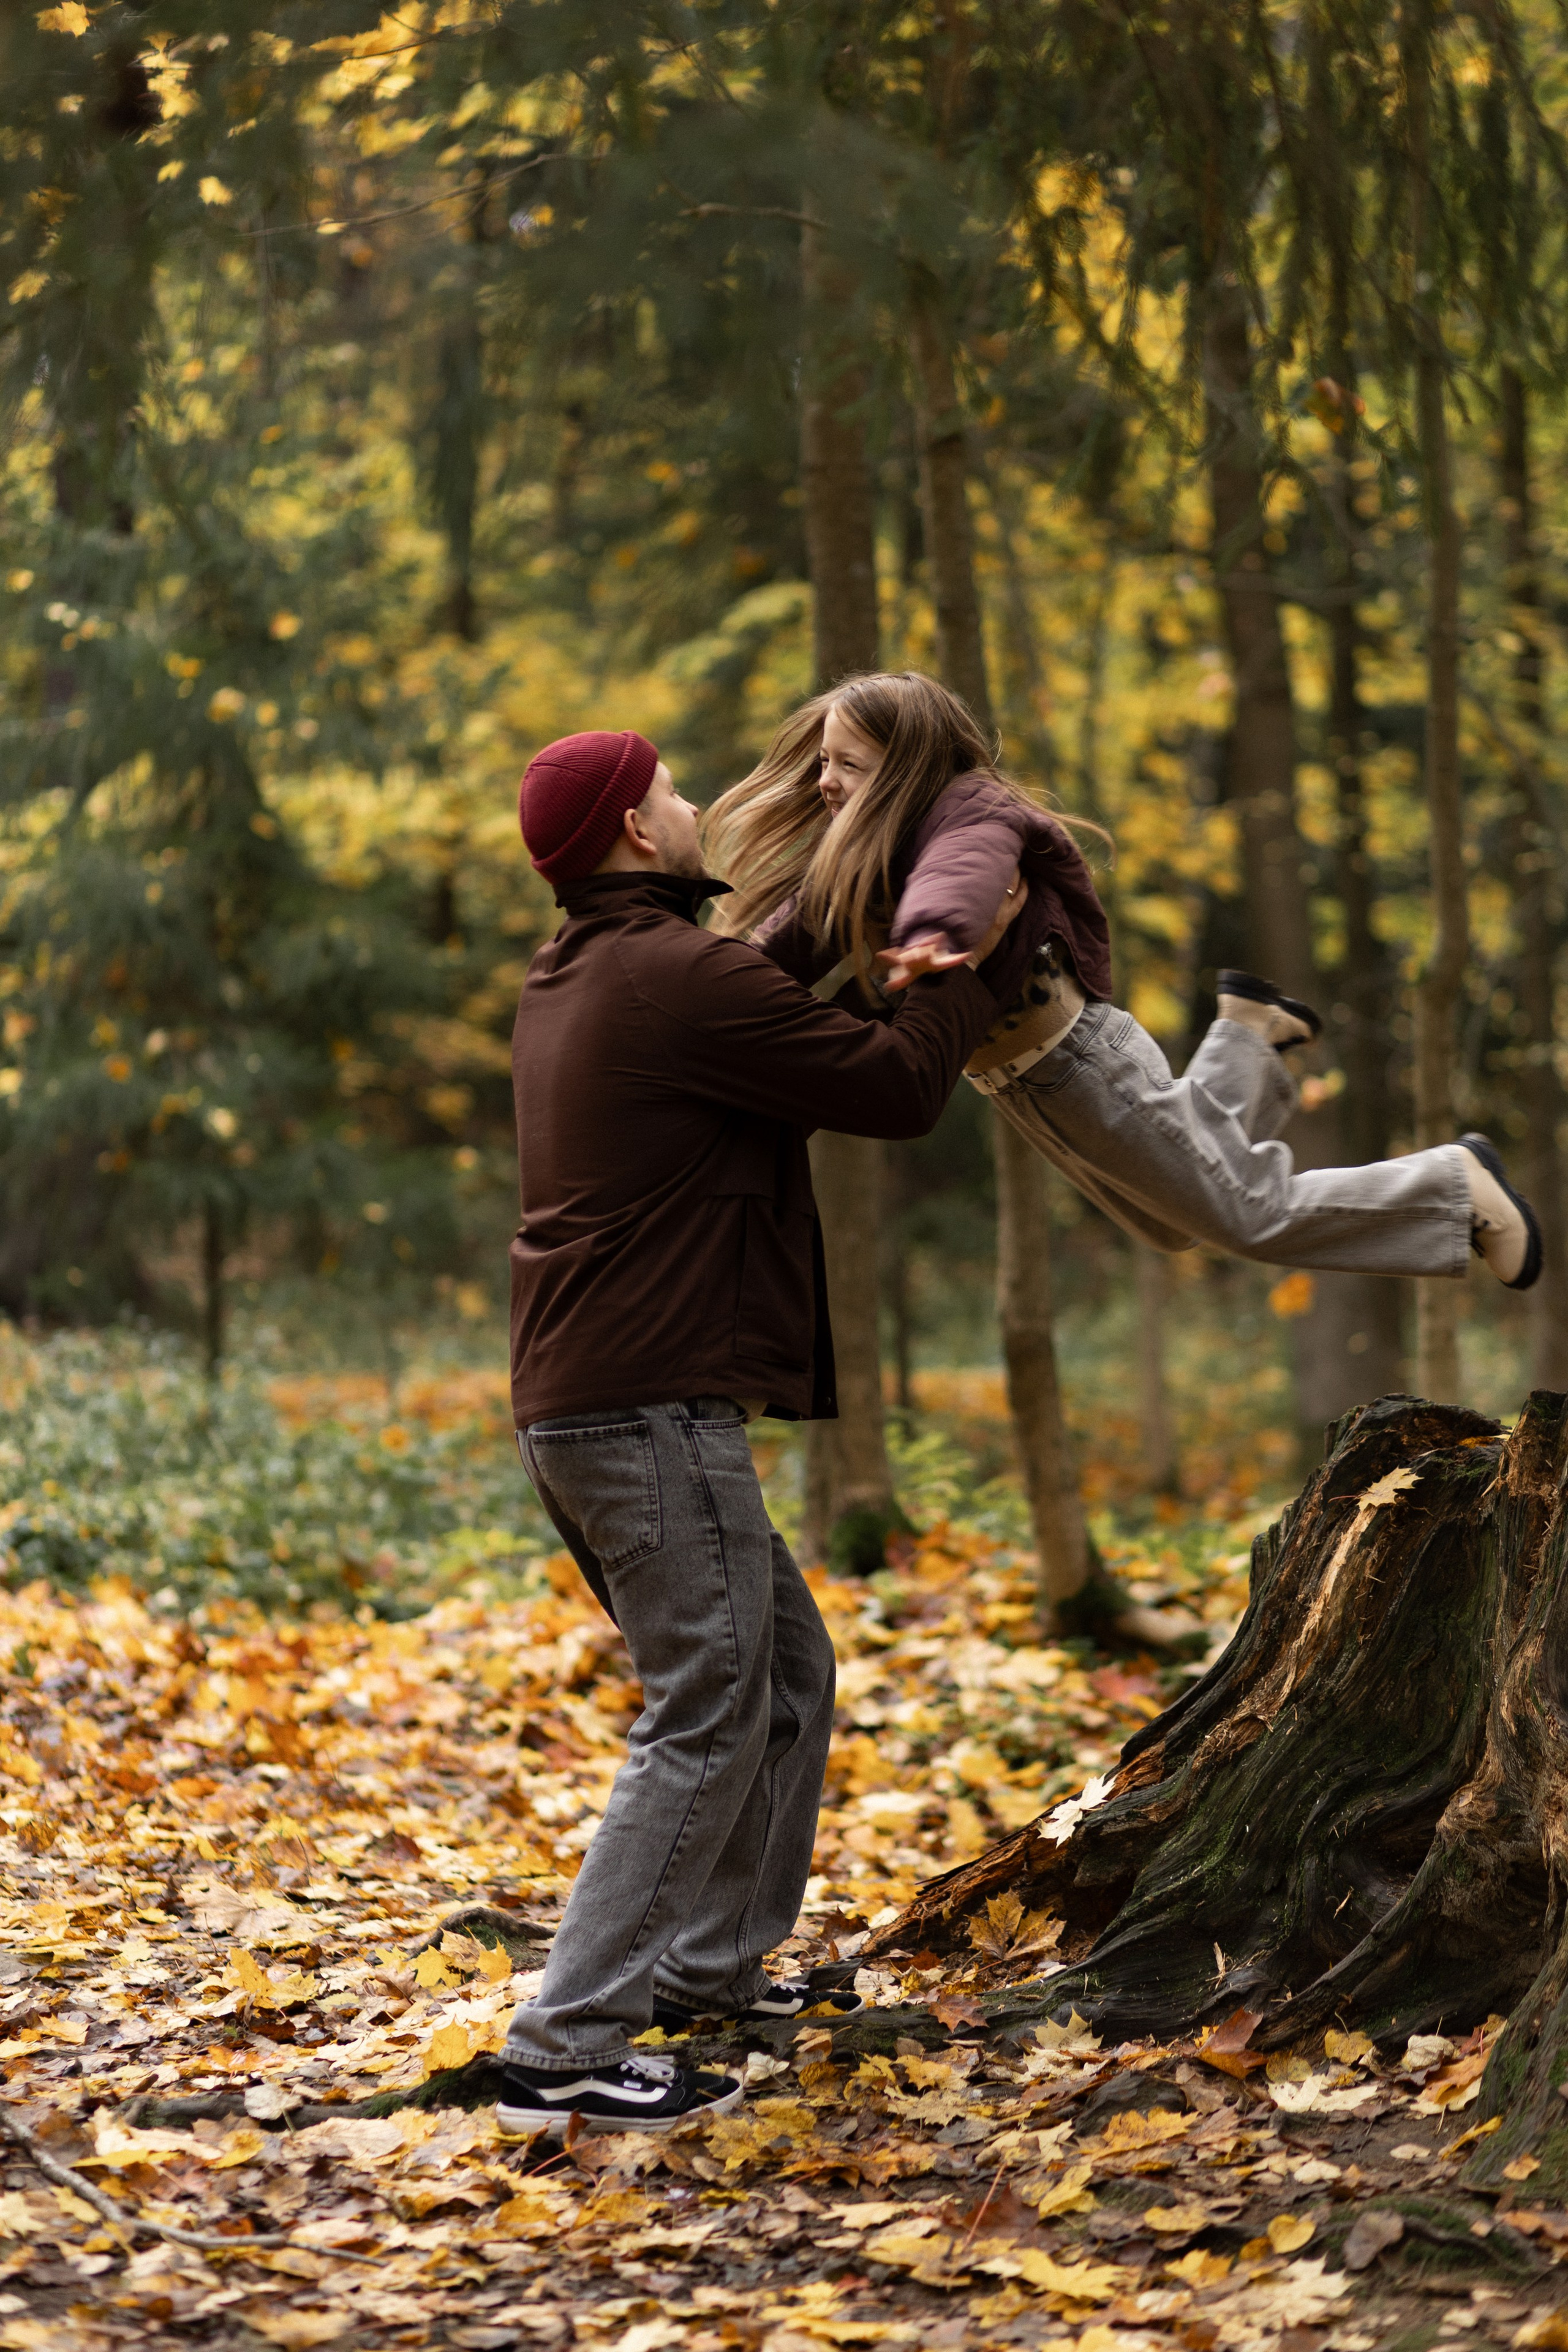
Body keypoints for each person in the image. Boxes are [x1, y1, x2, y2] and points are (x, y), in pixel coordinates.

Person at [497, 725, 1019, 2136]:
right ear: (626, 832)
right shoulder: (669, 974)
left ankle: (706, 1977)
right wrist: (967, 969)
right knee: (709, 1707)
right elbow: (895, 1089)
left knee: (783, 1673)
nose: (689, 802)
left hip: (596, 1402)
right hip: (643, 1407)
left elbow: (760, 985)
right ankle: (563, 2045)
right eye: (665, 790)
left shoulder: (597, 967)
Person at [706, 670, 1542, 1296]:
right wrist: (693, 994)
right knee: (1174, 1226)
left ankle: (1451, 1188)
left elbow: (959, 881)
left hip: (1082, 1061)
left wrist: (932, 939)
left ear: (907, 767)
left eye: (847, 762)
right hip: (1029, 1088)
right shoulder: (855, 854)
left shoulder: (970, 811)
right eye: (822, 760)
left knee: (1244, 1211)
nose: (824, 779)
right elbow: (782, 946)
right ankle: (1252, 1037)